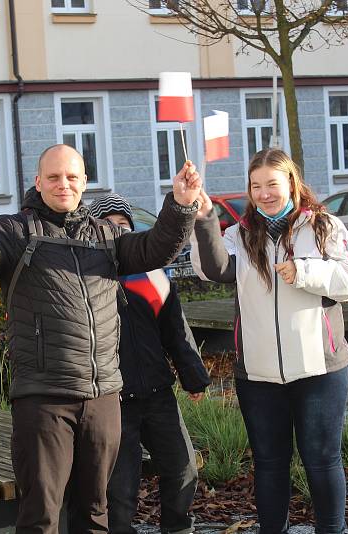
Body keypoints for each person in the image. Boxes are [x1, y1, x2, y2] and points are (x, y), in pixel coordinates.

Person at [0, 144, 202, 534]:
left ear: (84, 183)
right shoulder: (15, 230)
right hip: (44, 398)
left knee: (96, 512)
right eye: (55, 177)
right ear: (38, 182)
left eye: (72, 177)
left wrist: (180, 205)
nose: (64, 184)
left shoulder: (106, 235)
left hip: (102, 397)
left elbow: (154, 248)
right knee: (42, 514)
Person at [189, 148, 348, 534]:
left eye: (273, 183)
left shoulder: (323, 226)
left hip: (320, 368)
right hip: (258, 374)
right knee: (269, 464)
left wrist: (304, 272)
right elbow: (210, 269)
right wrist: (204, 219)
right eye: (256, 186)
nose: (265, 193)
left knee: (322, 461)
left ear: (291, 182)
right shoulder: (238, 234)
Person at [88, 193, 211, 534]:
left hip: (158, 394)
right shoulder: (88, 279)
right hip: (113, 401)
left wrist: (194, 377)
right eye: (107, 226)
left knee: (182, 469)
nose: (116, 232)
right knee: (120, 488)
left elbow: (176, 330)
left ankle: (178, 527)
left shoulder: (151, 276)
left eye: (123, 226)